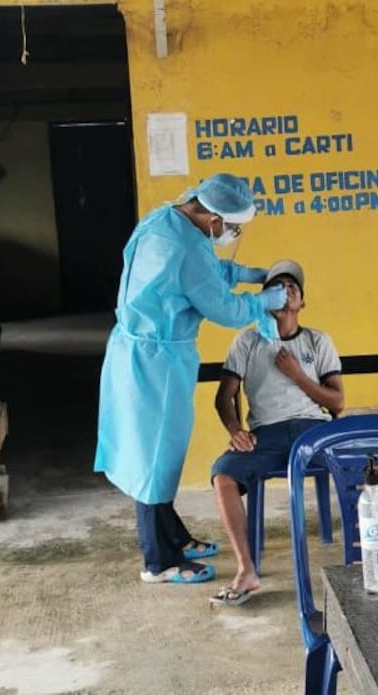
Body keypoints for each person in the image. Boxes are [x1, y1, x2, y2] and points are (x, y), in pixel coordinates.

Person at [93, 173, 289, 585]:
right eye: (232, 227)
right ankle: (158, 561)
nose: (231, 233)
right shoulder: (186, 248)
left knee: (160, 454)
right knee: (154, 457)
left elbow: (202, 270)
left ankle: (174, 537)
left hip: (140, 350)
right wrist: (263, 303)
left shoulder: (166, 220)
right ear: (215, 218)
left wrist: (245, 274)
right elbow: (225, 310)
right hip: (155, 363)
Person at [207, 260, 344, 606]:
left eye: (292, 287)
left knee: (359, 466)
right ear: (264, 299)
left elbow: (337, 402)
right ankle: (246, 569)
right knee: (223, 476)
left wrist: (298, 375)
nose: (285, 292)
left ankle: (358, 563)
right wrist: (235, 429)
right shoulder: (247, 341)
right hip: (265, 433)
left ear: (302, 302)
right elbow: (225, 396)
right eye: (276, 288)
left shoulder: (317, 340)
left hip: (312, 429)